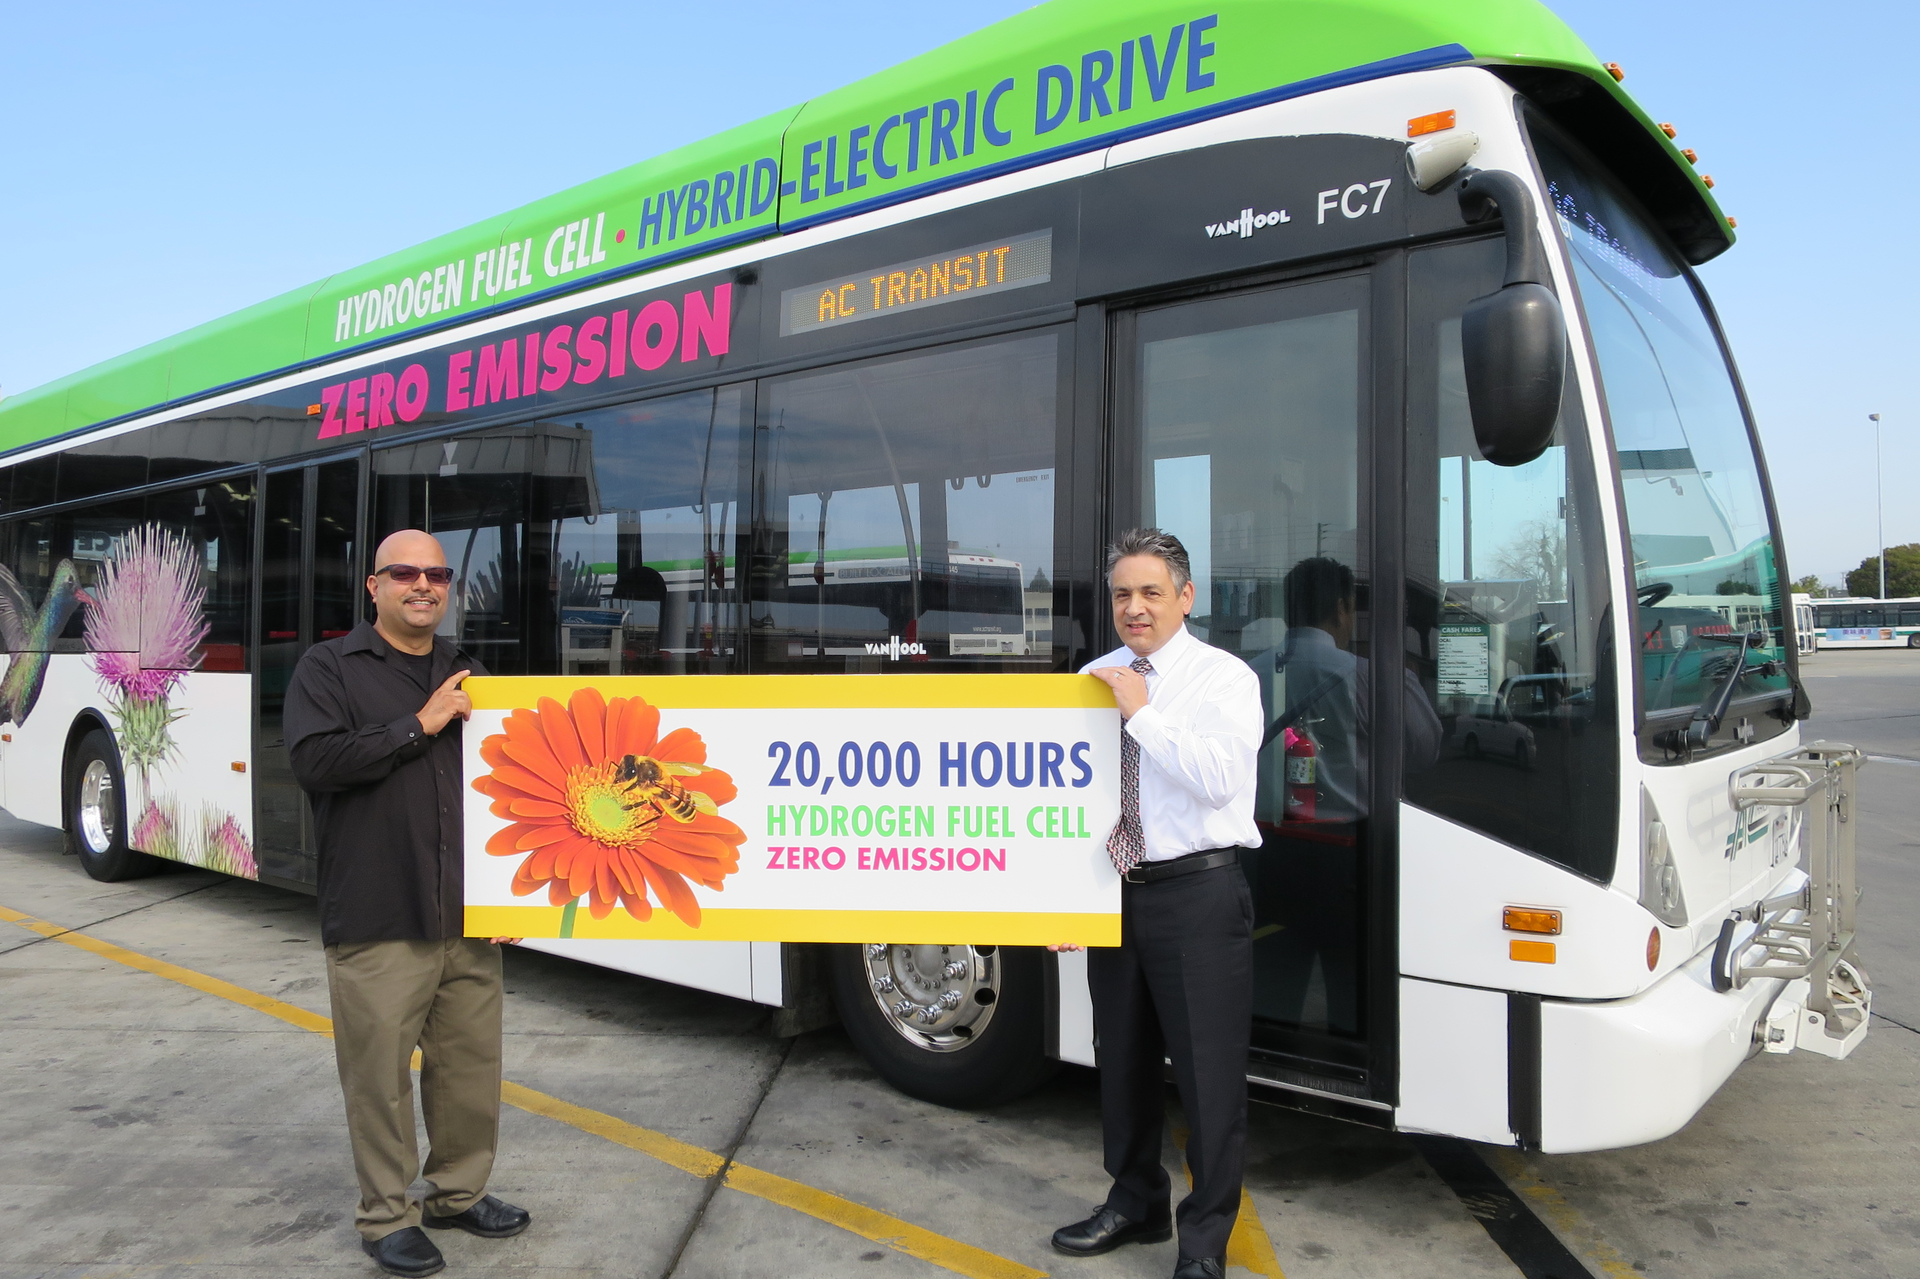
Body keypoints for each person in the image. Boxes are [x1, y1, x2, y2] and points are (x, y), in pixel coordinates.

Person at [285, 529, 529, 1278]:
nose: (423, 585)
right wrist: (418, 726)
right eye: (404, 573)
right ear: (374, 586)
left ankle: (457, 1192)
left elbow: (504, 788)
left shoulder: (469, 673)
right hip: (378, 910)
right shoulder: (329, 666)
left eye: (437, 574)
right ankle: (387, 1217)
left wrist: (511, 891)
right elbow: (315, 759)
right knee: (379, 1078)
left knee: (468, 1068)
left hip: (464, 914)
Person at [1051, 528, 1263, 1279]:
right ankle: (1135, 1199)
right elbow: (1069, 799)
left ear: (1185, 596)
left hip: (1199, 894)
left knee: (1209, 1079)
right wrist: (1062, 898)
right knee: (1122, 1061)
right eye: (1121, 594)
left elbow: (1219, 779)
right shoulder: (1092, 676)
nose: (1134, 607)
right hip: (1117, 893)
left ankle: (1203, 1244)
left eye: (1149, 592)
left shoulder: (1224, 679)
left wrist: (1142, 713)